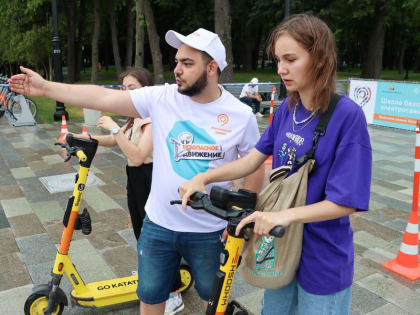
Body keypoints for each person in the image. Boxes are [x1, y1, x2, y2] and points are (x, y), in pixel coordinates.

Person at [9, 27, 265, 315]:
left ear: (212, 67)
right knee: (151, 295)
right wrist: (46, 88)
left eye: (187, 63)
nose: (177, 70)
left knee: (213, 299)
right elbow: (102, 97)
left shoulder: (240, 115)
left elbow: (254, 165)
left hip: (210, 231)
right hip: (158, 226)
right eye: (177, 61)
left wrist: (243, 217)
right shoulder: (163, 98)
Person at [179, 14, 372, 315]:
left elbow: (347, 202)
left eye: (291, 59)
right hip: (276, 246)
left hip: (322, 256)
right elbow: (252, 161)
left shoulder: (347, 116)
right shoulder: (287, 109)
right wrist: (203, 178)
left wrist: (285, 216)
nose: (281, 69)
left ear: (320, 58)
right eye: (279, 60)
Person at [66, 68, 184, 314]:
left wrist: (113, 127)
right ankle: (149, 272)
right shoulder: (135, 118)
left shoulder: (151, 118)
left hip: (150, 178)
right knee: (142, 231)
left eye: (132, 88)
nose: (127, 93)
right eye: (124, 88)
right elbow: (116, 141)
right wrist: (82, 137)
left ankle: (173, 292)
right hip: (136, 179)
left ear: (146, 89)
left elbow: (138, 155)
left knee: (158, 237)